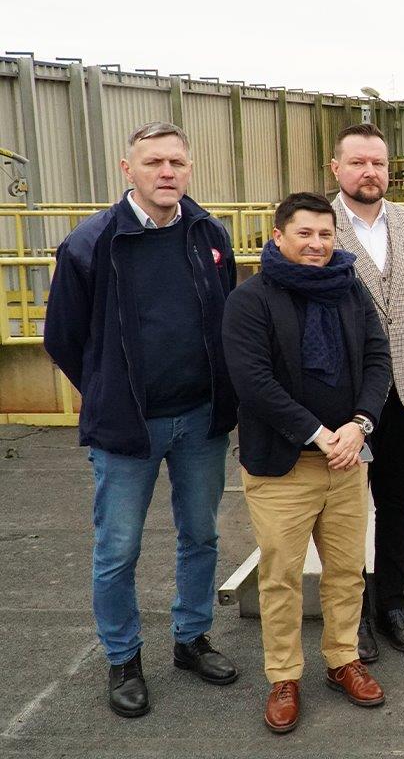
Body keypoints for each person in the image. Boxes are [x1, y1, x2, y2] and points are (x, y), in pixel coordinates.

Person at [44, 122, 239, 718]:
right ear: (128, 170)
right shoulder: (90, 244)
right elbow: (63, 338)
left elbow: (224, 314)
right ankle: (123, 657)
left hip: (200, 420)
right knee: (118, 548)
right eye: (154, 162)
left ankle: (191, 638)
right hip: (128, 429)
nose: (167, 172)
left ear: (189, 168)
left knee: (201, 535)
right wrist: (109, 392)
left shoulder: (209, 233)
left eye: (177, 161)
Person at [222, 193, 392, 733]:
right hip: (283, 466)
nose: (317, 244)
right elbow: (253, 382)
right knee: (281, 577)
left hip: (347, 460)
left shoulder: (350, 289)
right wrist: (319, 434)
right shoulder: (250, 300)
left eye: (325, 234)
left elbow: (377, 358)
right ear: (278, 236)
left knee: (346, 571)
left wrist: (360, 423)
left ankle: (343, 659)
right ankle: (284, 676)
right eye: (305, 234)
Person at [329, 123, 404, 660]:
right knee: (345, 511)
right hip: (345, 400)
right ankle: (352, 616)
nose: (369, 172)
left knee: (398, 502)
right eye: (357, 162)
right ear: (337, 168)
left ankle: (392, 605)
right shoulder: (318, 226)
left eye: (377, 163)